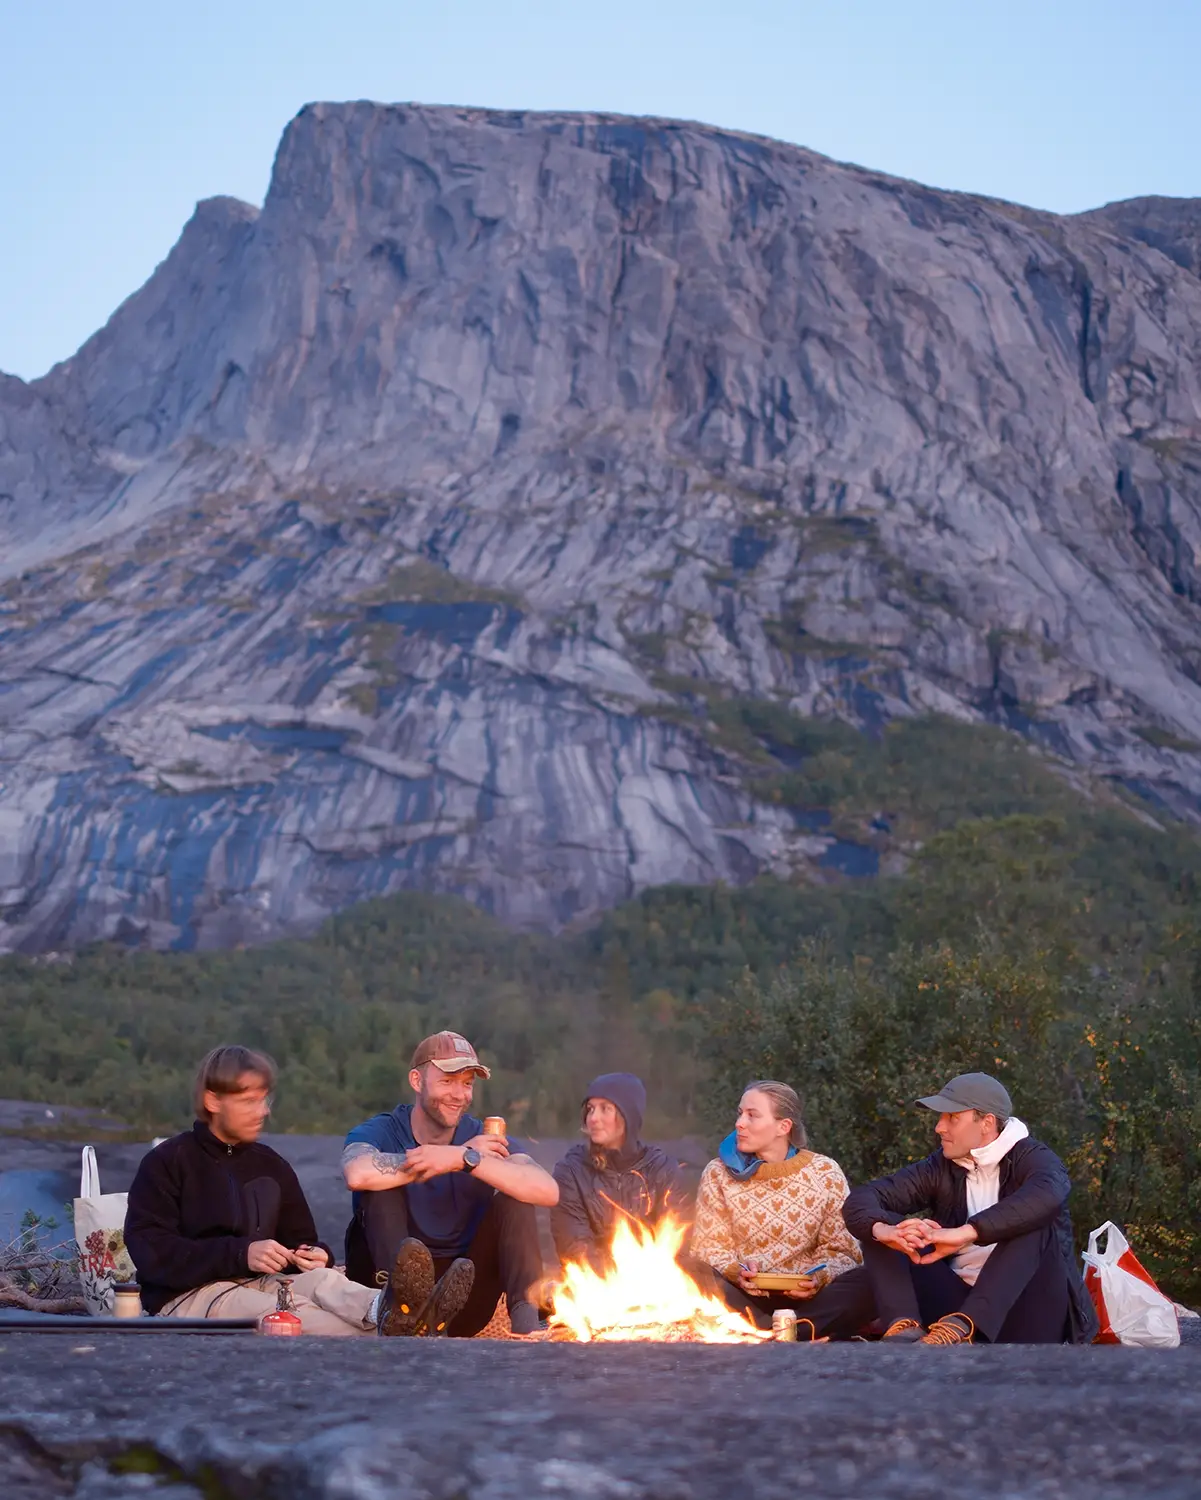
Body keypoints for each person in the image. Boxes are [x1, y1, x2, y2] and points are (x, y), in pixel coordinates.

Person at [125, 1045, 393, 1335]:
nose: (263, 1111)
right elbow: (151, 1252)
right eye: (250, 1101)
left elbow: (299, 1242)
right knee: (291, 1314)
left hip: (262, 1283)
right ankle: (385, 1331)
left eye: (265, 1100)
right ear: (213, 1101)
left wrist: (315, 1256)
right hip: (187, 1295)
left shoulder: (272, 1166)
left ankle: (391, 1308)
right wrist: (241, 1254)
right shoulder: (168, 1161)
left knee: (324, 1281)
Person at [841, 1072, 1099, 1345]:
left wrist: (967, 1233)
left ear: (986, 1123)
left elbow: (1048, 1195)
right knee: (886, 1226)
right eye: (941, 1118)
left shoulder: (1034, 1158)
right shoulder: (940, 1166)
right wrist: (884, 1230)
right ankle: (905, 1327)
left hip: (1029, 1310)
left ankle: (968, 1324)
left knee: (1036, 1220)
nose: (939, 1127)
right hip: (952, 1314)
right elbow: (864, 1198)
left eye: (952, 1118)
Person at [342, 1030, 559, 1337]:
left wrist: (463, 1159)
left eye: (467, 1084)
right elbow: (357, 1173)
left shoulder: (481, 1141)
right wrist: (441, 1159)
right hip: (386, 1297)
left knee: (516, 1198)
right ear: (417, 1081)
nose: (459, 1094)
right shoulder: (383, 1130)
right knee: (379, 1189)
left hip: (462, 1296)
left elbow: (547, 1191)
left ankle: (528, 1325)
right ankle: (403, 1311)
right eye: (447, 1081)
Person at [689, 1080, 865, 1338]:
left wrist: (818, 1278)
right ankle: (771, 1330)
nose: (740, 1123)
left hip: (809, 1301)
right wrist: (737, 1271)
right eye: (740, 1113)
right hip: (743, 1299)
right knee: (686, 1266)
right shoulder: (718, 1173)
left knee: (869, 1280)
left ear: (783, 1127)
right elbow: (708, 1247)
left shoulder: (824, 1172)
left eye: (752, 1115)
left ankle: (785, 1331)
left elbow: (844, 1251)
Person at [551, 1072, 687, 1269]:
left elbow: (677, 1245)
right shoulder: (571, 1171)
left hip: (657, 1284)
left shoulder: (663, 1170)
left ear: (628, 1116)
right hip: (592, 1286)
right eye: (590, 1109)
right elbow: (574, 1247)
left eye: (605, 1109)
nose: (593, 1118)